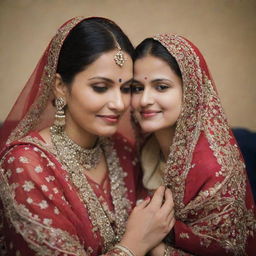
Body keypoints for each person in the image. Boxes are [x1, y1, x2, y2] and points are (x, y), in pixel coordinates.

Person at [0, 18, 175, 256]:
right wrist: (134, 244)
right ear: (61, 86)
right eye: (101, 87)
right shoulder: (25, 165)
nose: (118, 104)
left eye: (126, 89)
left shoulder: (121, 151)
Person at [131, 34, 256, 255]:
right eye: (137, 88)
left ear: (191, 92)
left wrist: (153, 248)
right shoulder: (141, 147)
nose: (144, 100)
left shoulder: (215, 169)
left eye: (161, 87)